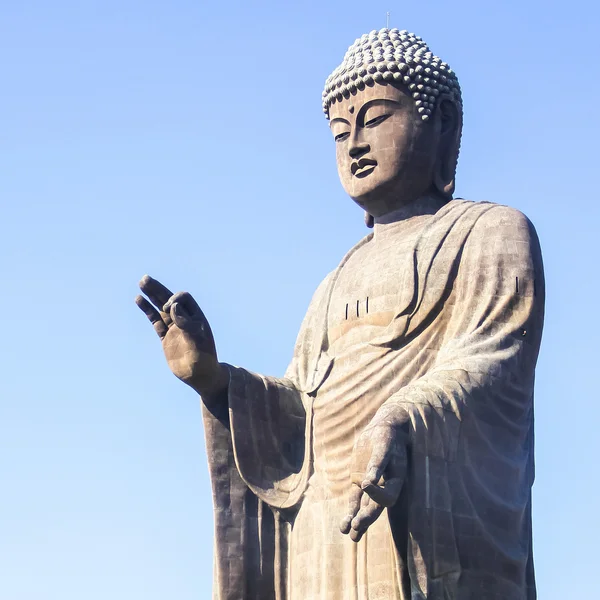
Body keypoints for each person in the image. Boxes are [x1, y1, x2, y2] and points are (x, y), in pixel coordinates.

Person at [136, 28, 544, 600]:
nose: (354, 143)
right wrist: (216, 380)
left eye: (375, 119)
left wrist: (399, 417)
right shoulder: (333, 283)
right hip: (325, 527)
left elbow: (492, 359)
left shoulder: (490, 232)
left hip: (418, 512)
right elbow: (300, 405)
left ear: (443, 122)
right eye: (338, 131)